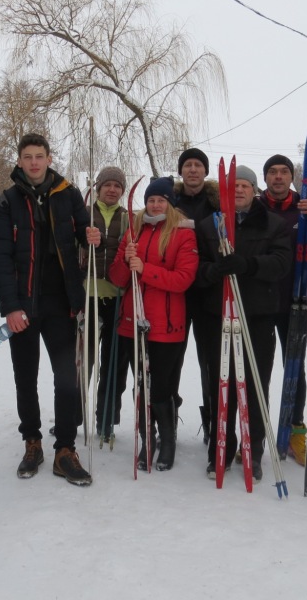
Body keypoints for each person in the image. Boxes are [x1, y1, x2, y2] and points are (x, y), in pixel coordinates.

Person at [0, 133, 101, 486]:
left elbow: (85, 232)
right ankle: (33, 442)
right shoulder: (8, 201)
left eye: (40, 156)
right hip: (23, 306)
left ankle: (65, 450)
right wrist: (10, 307)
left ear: (49, 158)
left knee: (66, 379)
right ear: (20, 161)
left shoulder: (67, 194)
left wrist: (91, 235)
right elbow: (1, 258)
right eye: (28, 157)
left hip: (61, 305)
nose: (34, 162)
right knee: (26, 378)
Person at [194, 165, 291, 481]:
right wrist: (212, 271)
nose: (238, 191)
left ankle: (254, 449)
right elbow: (196, 265)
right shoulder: (209, 224)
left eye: (244, 186)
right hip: (217, 315)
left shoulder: (272, 223)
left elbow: (280, 264)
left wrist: (248, 264)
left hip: (257, 315)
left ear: (254, 190)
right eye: (232, 186)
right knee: (220, 384)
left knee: (254, 385)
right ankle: (219, 449)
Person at [108, 176, 198, 471]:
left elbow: (183, 280)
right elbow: (118, 280)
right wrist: (125, 261)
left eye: (161, 200)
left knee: (160, 388)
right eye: (151, 200)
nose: (155, 204)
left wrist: (146, 269)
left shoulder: (183, 234)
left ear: (169, 204)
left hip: (167, 324)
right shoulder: (134, 231)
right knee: (141, 386)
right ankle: (147, 439)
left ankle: (168, 442)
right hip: (134, 321)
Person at [262, 153, 307, 464]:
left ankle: (294, 433)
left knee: (295, 369)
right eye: (272, 172)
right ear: (265, 178)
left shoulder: (306, 209)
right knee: (255, 369)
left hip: (294, 300)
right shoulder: (254, 207)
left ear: (291, 177)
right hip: (259, 301)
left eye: (283, 171)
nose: (277, 176)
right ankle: (252, 432)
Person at [172, 147, 220, 442]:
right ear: (181, 171)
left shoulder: (217, 202)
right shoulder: (169, 200)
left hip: (208, 292)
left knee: (211, 361)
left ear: (205, 171)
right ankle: (168, 420)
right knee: (171, 360)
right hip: (175, 292)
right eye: (188, 165)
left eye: (198, 165)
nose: (193, 170)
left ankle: (214, 421)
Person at [86, 166, 130, 444]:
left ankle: (106, 419)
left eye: (117, 186)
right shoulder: (84, 213)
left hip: (117, 297)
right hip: (88, 295)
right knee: (83, 361)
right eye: (107, 185)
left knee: (114, 364)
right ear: (99, 187)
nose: (112, 189)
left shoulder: (128, 218)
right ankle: (74, 416)